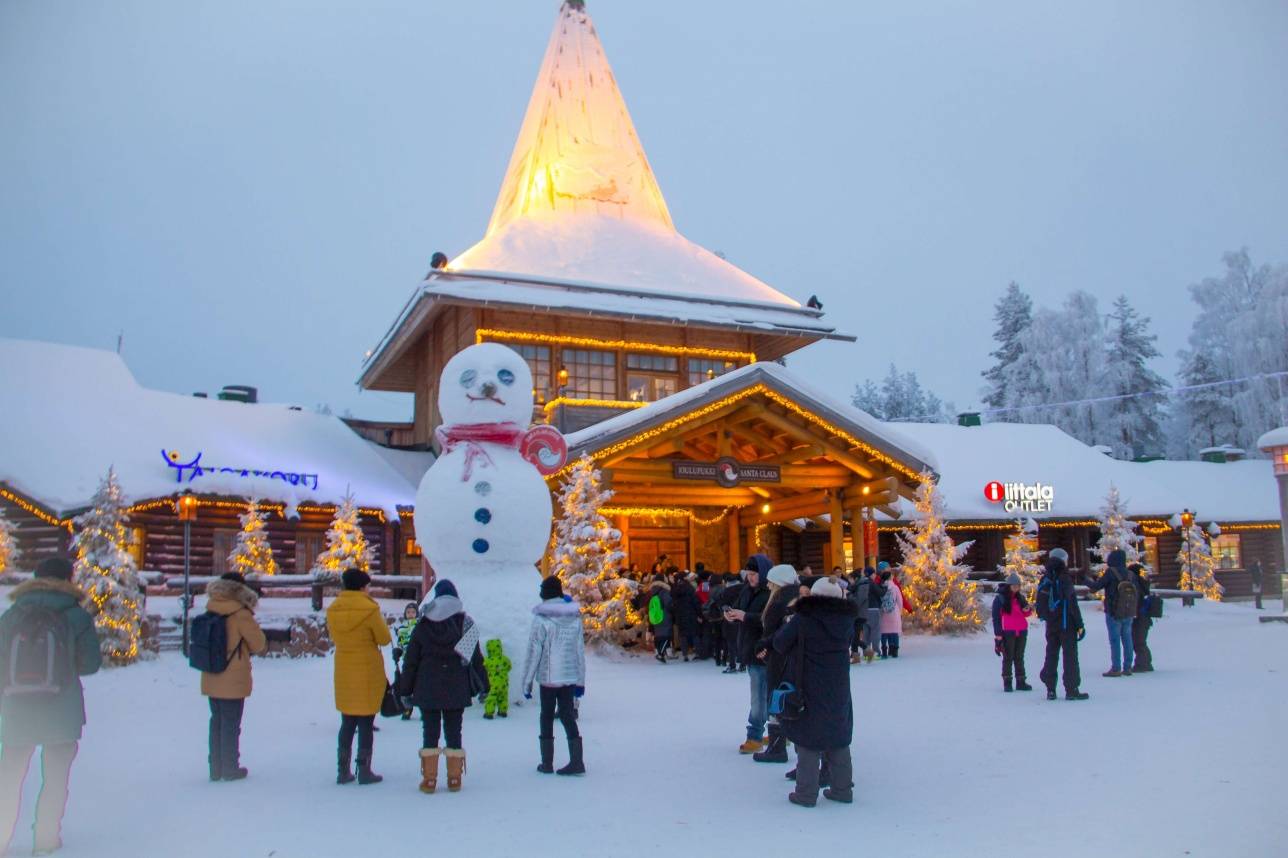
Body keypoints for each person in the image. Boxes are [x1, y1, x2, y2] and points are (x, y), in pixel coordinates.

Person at [0, 556, 101, 856]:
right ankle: (45, 840)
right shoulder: (77, 616)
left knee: (9, 778)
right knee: (55, 779)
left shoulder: (13, 614)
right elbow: (90, 664)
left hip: (18, 709)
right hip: (62, 709)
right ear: (68, 579)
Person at [773, 577, 857, 808]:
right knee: (838, 736)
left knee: (808, 738)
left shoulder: (803, 619)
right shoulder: (846, 621)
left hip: (807, 683)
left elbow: (780, 643)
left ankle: (806, 793)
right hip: (838, 685)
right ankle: (842, 789)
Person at [397, 580, 486, 793]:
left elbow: (412, 661)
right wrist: (484, 685)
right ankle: (454, 778)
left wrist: (405, 689)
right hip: (456, 684)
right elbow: (474, 658)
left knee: (430, 730)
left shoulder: (423, 624)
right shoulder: (466, 623)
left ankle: (429, 779)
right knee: (454, 730)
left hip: (427, 684)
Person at [326, 568, 392, 785]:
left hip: (344, 666)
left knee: (347, 722)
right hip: (366, 668)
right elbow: (383, 638)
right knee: (366, 721)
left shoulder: (334, 609)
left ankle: (342, 770)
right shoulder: (370, 609)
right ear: (364, 586)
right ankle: (364, 769)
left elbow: (334, 635)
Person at [200, 572, 268, 780]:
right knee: (231, 724)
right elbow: (259, 643)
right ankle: (230, 767)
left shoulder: (211, 607)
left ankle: (215, 767)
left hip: (212, 673)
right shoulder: (240, 613)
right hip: (233, 676)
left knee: (217, 721)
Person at [522, 576, 587, 776]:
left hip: (548, 677)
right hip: (569, 676)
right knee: (568, 716)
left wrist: (527, 682)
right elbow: (579, 652)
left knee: (547, 715)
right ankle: (577, 761)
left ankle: (547, 762)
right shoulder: (574, 618)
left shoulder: (541, 618)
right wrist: (580, 682)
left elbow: (534, 652)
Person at [752, 564, 799, 764]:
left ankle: (777, 747)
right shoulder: (795, 599)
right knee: (788, 697)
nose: (769, 586)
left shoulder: (779, 603)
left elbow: (777, 633)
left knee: (777, 698)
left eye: (771, 582)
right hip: (788, 657)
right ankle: (784, 746)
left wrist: (765, 646)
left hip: (780, 658)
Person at [726, 554, 771, 753]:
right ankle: (779, 731)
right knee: (764, 694)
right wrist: (732, 615)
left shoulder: (771, 592)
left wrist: (746, 617)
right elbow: (740, 610)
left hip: (764, 649)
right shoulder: (746, 591)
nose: (751, 578)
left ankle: (755, 735)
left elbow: (769, 619)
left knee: (760, 696)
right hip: (750, 647)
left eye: (754, 574)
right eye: (749, 574)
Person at [1036, 549, 1088, 701]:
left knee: (1051, 654)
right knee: (1070, 656)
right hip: (1067, 623)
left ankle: (1050, 689)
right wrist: (1080, 624)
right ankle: (1072, 689)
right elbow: (1072, 603)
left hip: (1051, 624)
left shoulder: (1046, 578)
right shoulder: (1064, 578)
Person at [1085, 548, 1137, 677]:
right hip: (1128, 611)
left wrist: (1084, 580)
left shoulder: (1110, 572)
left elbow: (1097, 586)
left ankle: (1116, 668)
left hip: (1113, 611)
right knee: (1127, 639)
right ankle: (1128, 667)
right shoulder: (1130, 574)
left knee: (1114, 640)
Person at [990, 572, 1032, 692]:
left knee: (1019, 657)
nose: (1016, 588)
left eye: (1018, 586)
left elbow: (1026, 613)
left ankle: (1021, 681)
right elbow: (996, 617)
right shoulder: (1000, 599)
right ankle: (1007, 682)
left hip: (1021, 630)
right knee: (1008, 657)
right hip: (1008, 631)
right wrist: (998, 634)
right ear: (1008, 586)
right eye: (1014, 586)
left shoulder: (1020, 598)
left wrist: (1027, 610)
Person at [391, 601, 419, 720]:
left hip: (419, 659)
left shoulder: (419, 625)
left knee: (420, 684)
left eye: (413, 612)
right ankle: (407, 708)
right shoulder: (401, 628)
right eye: (408, 612)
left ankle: (424, 707)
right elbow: (401, 643)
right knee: (406, 684)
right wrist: (398, 651)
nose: (410, 614)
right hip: (407, 660)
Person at [715, 572, 744, 673]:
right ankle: (743, 665)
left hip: (729, 619)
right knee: (741, 642)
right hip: (742, 618)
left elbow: (721, 604)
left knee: (731, 643)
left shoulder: (725, 591)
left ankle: (732, 665)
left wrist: (727, 611)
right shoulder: (744, 589)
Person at [1129, 563, 1154, 672]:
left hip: (1140, 617)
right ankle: (1145, 662)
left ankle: (1143, 664)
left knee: (1138, 641)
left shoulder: (1137, 585)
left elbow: (1136, 602)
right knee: (1140, 641)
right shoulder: (1142, 583)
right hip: (1144, 618)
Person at [671, 571, 701, 662]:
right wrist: (699, 614)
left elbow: (674, 603)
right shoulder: (690, 588)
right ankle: (697, 653)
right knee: (694, 634)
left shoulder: (675, 589)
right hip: (691, 614)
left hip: (680, 615)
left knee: (683, 635)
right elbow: (695, 602)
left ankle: (685, 655)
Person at [645, 573, 674, 663]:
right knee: (667, 636)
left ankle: (659, 652)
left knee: (658, 636)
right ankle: (661, 654)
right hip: (665, 616)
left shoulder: (652, 591)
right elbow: (669, 603)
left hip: (655, 616)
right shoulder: (664, 591)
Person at [483, 638, 512, 718]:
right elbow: (509, 667)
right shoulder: (505, 659)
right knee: (503, 697)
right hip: (504, 683)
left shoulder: (487, 660)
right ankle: (503, 712)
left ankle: (489, 713)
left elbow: (483, 669)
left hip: (492, 684)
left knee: (491, 698)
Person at [878, 569, 903, 658]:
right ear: (890, 577)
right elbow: (899, 600)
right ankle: (894, 650)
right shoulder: (895, 587)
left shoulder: (880, 586)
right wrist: (899, 611)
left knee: (884, 632)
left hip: (883, 612)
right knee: (894, 631)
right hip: (893, 611)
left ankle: (884, 650)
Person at [846, 570, 870, 664]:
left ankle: (866, 650)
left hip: (860, 614)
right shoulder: (857, 586)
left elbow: (858, 601)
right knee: (854, 635)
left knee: (854, 635)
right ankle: (856, 655)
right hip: (856, 614)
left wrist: (849, 595)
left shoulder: (862, 586)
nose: (849, 582)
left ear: (855, 578)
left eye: (850, 579)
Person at [865, 564, 887, 662]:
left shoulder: (862, 583)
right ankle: (875, 652)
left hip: (864, 610)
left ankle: (866, 652)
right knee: (875, 631)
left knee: (866, 632)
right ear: (872, 574)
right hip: (873, 609)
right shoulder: (871, 583)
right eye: (874, 574)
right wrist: (884, 587)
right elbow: (880, 592)